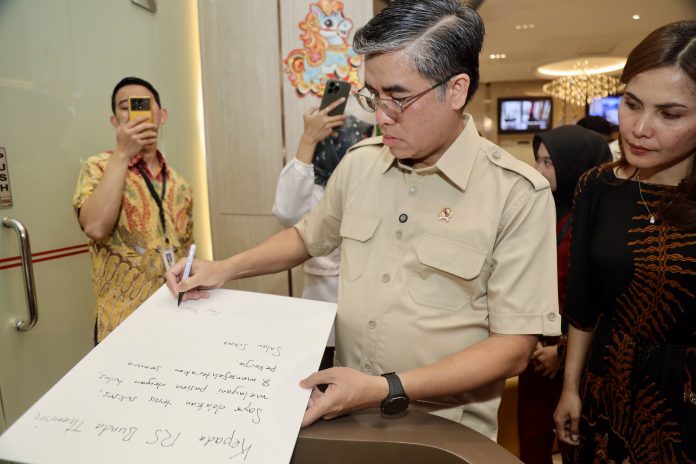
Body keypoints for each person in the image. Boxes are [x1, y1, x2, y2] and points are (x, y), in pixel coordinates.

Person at [167, 0, 560, 439]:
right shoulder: (360, 164)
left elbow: (512, 348)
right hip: (345, 417)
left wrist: (384, 388)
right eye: (372, 95)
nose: (380, 116)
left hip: (443, 431)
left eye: (398, 98)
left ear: (456, 90)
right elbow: (307, 238)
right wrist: (223, 268)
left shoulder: (516, 194)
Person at [554, 20, 696, 463]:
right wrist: (570, 388)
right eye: (631, 104)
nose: (639, 128)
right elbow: (583, 303)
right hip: (605, 386)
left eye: (670, 114)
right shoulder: (599, 185)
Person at [73, 77, 194, 343]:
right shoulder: (98, 167)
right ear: (114, 121)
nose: (134, 113)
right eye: (125, 107)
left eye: (142, 105)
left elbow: (187, 253)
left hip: (175, 318)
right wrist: (122, 153)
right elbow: (95, 227)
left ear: (162, 115)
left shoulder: (180, 184)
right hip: (120, 324)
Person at [517, 125, 611, 464]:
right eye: (538, 160)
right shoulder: (539, 209)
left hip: (580, 355)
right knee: (531, 440)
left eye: (549, 162)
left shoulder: (600, 219)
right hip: (534, 349)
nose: (538, 170)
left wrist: (562, 350)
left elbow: (602, 299)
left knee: (577, 442)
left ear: (575, 166)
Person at [272, 98, 373, 369]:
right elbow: (287, 213)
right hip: (320, 307)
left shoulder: (374, 180)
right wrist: (308, 139)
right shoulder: (311, 184)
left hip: (368, 313)